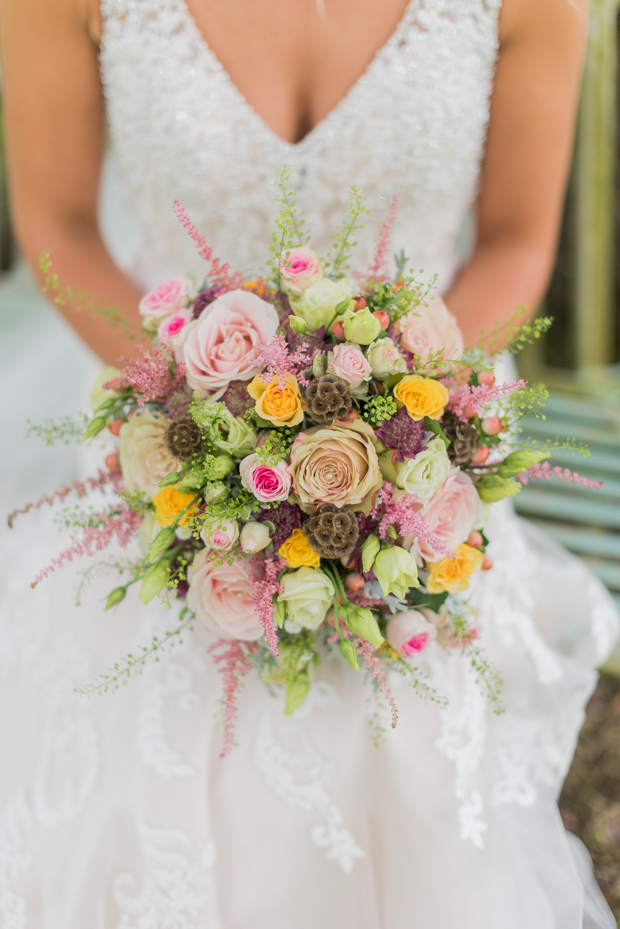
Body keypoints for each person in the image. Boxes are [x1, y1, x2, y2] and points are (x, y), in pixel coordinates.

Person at [0, 0, 618, 925]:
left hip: (415, 448)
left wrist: (393, 417)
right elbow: (57, 226)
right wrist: (211, 420)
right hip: (170, 437)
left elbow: (514, 240)